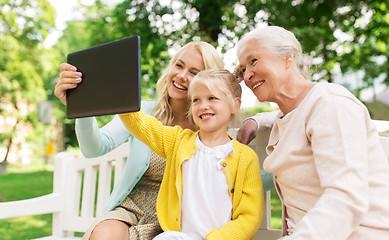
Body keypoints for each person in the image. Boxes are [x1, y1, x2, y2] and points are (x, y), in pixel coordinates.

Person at [54, 41, 225, 240]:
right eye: (179, 65)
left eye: (194, 73)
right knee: (105, 234)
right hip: (132, 212)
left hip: (181, 221)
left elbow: (245, 171)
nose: (181, 76)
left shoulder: (212, 126)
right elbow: (95, 148)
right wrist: (82, 104)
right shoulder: (141, 111)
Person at [236, 25, 389, 239]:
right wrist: (256, 120)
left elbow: (346, 199)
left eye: (253, 61)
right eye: (242, 69)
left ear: (288, 57)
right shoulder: (290, 113)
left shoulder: (331, 103)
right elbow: (294, 114)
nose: (247, 75)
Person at [119, 69, 263, 240]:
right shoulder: (178, 142)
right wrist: (122, 97)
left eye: (212, 98)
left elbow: (249, 217)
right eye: (196, 100)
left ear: (235, 105)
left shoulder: (245, 157)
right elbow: (143, 126)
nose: (203, 105)